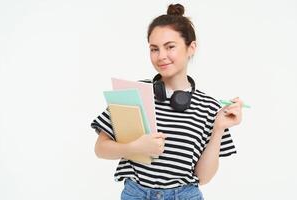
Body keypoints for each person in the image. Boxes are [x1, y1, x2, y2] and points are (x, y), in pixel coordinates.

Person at [90, 4, 244, 200]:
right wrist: (135, 148)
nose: (161, 56)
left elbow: (203, 178)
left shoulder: (210, 107)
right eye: (154, 49)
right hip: (136, 194)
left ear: (191, 48)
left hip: (185, 195)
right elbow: (100, 149)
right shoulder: (133, 93)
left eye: (170, 47)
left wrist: (219, 128)